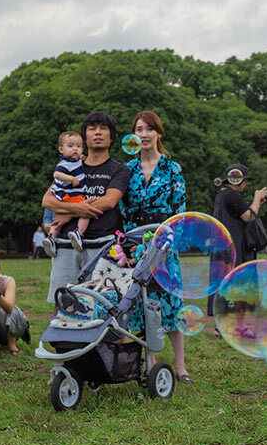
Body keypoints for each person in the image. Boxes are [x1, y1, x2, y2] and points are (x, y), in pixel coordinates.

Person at [119, 110, 193, 383]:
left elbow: (180, 208)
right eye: (139, 129)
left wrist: (172, 240)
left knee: (172, 302)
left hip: (165, 239)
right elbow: (123, 208)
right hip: (137, 240)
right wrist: (128, 241)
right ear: (133, 135)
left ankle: (181, 366)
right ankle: (151, 363)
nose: (144, 134)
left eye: (150, 129)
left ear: (158, 133)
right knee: (142, 301)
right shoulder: (127, 169)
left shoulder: (172, 169)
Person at [42, 111, 131, 303]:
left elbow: (109, 201)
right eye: (92, 129)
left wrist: (68, 213)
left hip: (102, 247)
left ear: (112, 135)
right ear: (85, 136)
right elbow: (47, 201)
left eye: (103, 128)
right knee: (63, 305)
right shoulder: (70, 166)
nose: (97, 132)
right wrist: (77, 210)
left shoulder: (120, 170)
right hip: (66, 247)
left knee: (107, 307)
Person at [207, 164, 267, 319]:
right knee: (237, 284)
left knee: (227, 285)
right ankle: (235, 327)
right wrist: (257, 197)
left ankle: (226, 327)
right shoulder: (231, 195)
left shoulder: (222, 195)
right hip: (233, 246)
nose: (245, 185)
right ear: (238, 181)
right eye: (245, 181)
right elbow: (249, 217)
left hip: (223, 245)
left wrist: (257, 204)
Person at [42, 131, 90, 257]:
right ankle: (79, 232)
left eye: (78, 146)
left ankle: (51, 238)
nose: (75, 149)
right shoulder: (64, 163)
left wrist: (81, 159)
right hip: (71, 195)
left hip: (65, 197)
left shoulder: (76, 161)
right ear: (61, 149)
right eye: (70, 146)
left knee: (58, 220)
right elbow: (56, 175)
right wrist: (71, 179)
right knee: (87, 212)